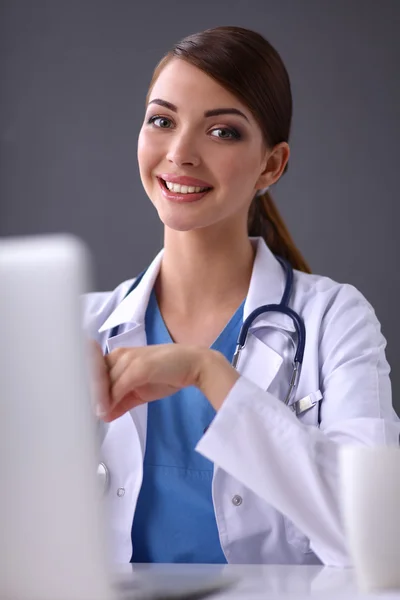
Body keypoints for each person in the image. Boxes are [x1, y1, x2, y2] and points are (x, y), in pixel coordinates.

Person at [84, 26, 399, 567]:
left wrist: (210, 374)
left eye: (222, 132)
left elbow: (379, 540)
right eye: (162, 121)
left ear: (271, 166)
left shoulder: (334, 319)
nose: (180, 153)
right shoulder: (77, 327)